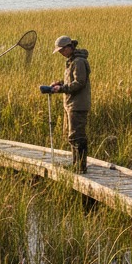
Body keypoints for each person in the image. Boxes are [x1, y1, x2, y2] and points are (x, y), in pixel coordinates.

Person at [50, 35, 91, 173]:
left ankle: (80, 167)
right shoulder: (71, 61)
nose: (61, 53)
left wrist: (62, 89)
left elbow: (79, 82)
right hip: (71, 104)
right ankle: (76, 164)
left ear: (69, 47)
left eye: (62, 50)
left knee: (77, 136)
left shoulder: (78, 61)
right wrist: (60, 83)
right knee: (72, 136)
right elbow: (71, 80)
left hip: (78, 105)